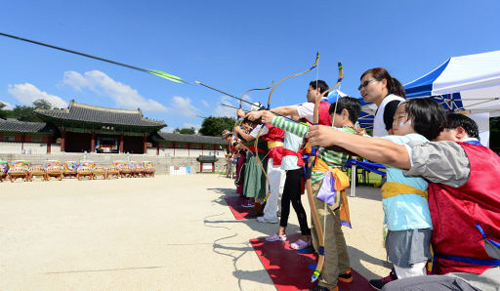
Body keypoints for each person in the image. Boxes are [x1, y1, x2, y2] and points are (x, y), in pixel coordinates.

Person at [307, 99, 500, 291]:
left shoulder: (457, 153)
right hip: (442, 241)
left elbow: (394, 153)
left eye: (440, 134)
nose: (435, 139)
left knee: (408, 276)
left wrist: (336, 136)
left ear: (459, 132)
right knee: (409, 269)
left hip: (462, 259)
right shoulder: (486, 156)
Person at [261, 96, 362, 291]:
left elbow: (305, 130)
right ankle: (343, 270)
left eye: (333, 116)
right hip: (332, 186)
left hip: (324, 187)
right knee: (334, 231)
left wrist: (273, 119)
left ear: (344, 114)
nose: (330, 121)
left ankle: (329, 282)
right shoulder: (351, 134)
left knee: (326, 236)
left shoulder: (338, 133)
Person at [367, 99, 443, 289]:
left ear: (419, 121)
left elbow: (367, 145)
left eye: (400, 118)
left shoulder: (404, 142)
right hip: (413, 220)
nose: (394, 123)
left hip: (407, 222)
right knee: (411, 272)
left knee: (410, 276)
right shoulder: (425, 144)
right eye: (394, 118)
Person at [246, 80, 333, 126]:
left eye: (309, 91)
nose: (307, 95)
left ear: (318, 90)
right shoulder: (330, 107)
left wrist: (261, 112)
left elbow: (286, 110)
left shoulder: (314, 106)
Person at [359, 68, 406, 136]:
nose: (362, 90)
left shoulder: (392, 104)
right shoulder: (383, 107)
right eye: (360, 87)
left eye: (366, 83)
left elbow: (400, 142)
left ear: (383, 82)